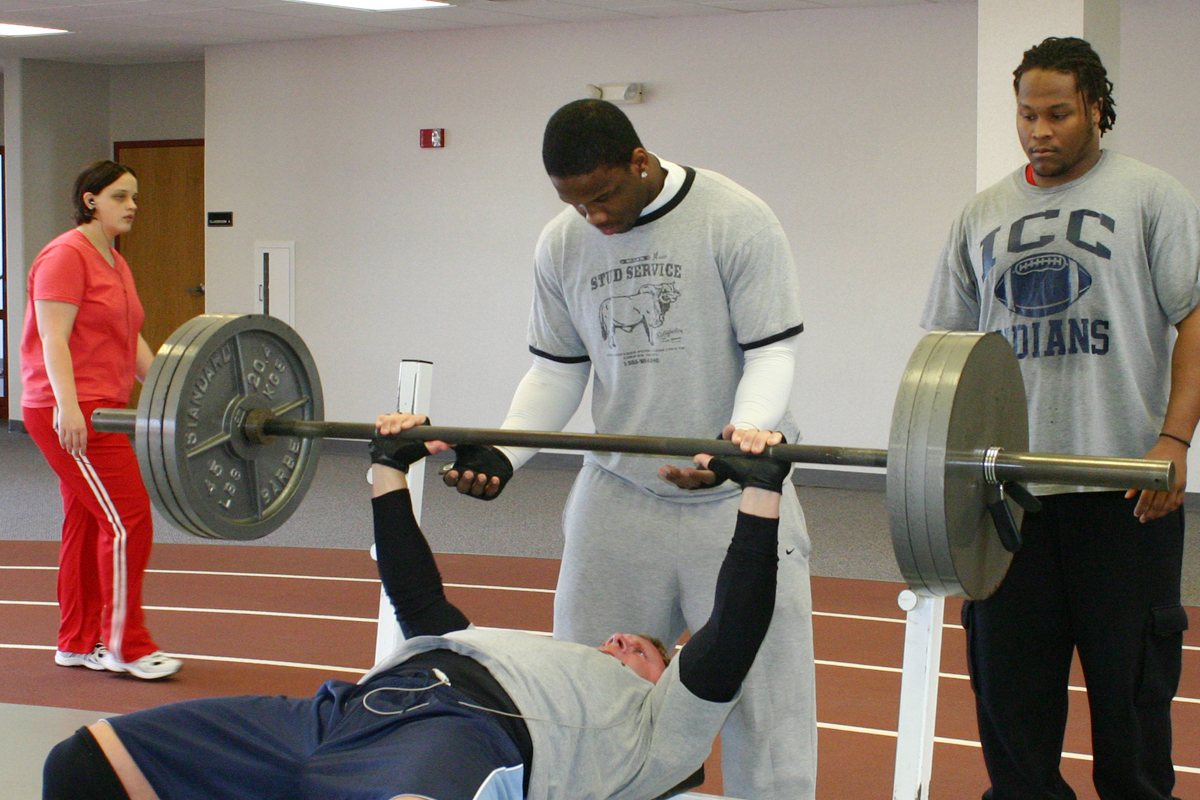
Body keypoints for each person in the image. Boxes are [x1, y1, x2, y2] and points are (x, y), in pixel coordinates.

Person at [42, 413, 791, 800]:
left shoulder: (665, 735)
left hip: (469, 740)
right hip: (341, 715)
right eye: (626, 638)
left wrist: (761, 491)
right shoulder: (509, 650)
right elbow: (418, 597)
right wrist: (385, 470)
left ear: (666, 681)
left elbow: (730, 636)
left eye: (648, 651)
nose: (627, 639)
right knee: (85, 763)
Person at [441, 99, 815, 799]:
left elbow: (772, 351)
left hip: (735, 503)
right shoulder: (561, 243)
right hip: (618, 498)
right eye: (575, 202)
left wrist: (741, 441)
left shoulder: (735, 218)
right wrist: (505, 454)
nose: (595, 217)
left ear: (640, 162)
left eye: (604, 194)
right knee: (583, 698)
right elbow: (557, 369)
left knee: (767, 713)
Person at [922, 37, 1200, 800]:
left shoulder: (1152, 197)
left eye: (1058, 114)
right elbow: (947, 353)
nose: (1039, 131)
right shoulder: (981, 216)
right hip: (1006, 499)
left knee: (1132, 699)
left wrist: (1173, 441)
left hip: (1123, 494)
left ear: (1097, 112)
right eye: (1026, 115)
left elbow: (1196, 319)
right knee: (1010, 703)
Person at [19, 160, 182, 681]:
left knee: (89, 521)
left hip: (104, 409)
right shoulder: (65, 256)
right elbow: (53, 339)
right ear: (90, 199)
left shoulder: (113, 259)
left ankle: (76, 640)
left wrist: (170, 392)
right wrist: (68, 408)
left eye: (134, 196)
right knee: (128, 518)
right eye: (119, 196)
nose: (132, 205)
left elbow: (129, 339)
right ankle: (124, 646)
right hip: (69, 409)